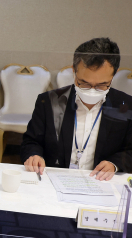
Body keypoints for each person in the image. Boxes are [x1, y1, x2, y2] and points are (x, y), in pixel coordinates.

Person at [21, 37, 132, 181]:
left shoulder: (126, 105)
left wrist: (114, 164)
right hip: (53, 180)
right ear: (74, 71)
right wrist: (33, 155)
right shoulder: (49, 101)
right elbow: (31, 142)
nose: (92, 91)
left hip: (100, 182)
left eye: (101, 85)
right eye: (84, 83)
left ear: (114, 74)